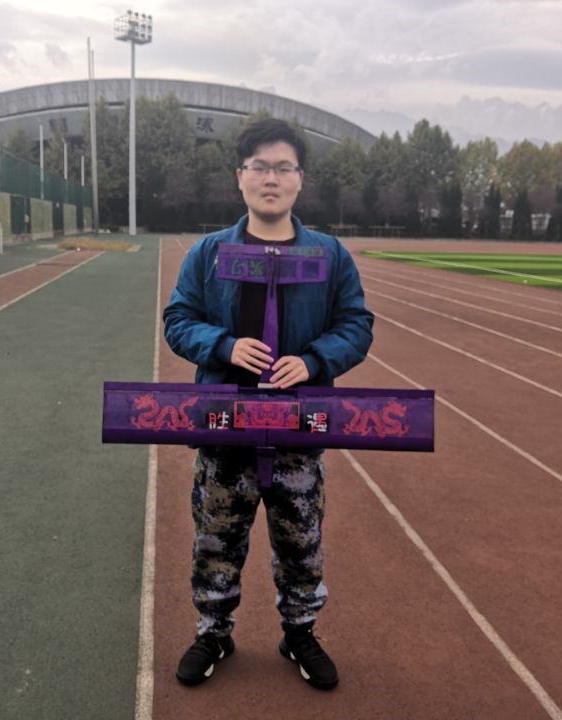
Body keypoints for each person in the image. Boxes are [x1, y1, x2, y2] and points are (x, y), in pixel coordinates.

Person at [162, 118, 374, 690]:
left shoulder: (329, 255)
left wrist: (314, 360)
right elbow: (178, 320)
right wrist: (223, 345)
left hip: (298, 430)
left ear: (300, 178)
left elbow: (356, 325)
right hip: (224, 427)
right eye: (259, 167)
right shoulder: (210, 253)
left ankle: (299, 631)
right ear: (241, 177)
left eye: (283, 167)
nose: (271, 178)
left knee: (301, 540)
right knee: (216, 536)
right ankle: (214, 630)